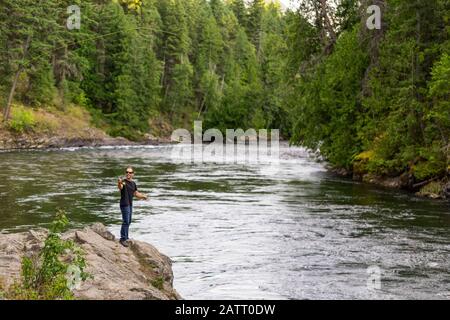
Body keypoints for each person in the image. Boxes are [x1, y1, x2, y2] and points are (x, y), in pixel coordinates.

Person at [118, 167, 148, 247]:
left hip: (130, 204)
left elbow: (136, 194)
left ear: (133, 174)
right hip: (124, 204)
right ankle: (122, 239)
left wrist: (143, 196)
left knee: (129, 221)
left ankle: (126, 237)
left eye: (130, 172)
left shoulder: (133, 183)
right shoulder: (123, 182)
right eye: (127, 172)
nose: (128, 173)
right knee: (126, 221)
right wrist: (119, 182)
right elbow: (120, 187)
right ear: (125, 173)